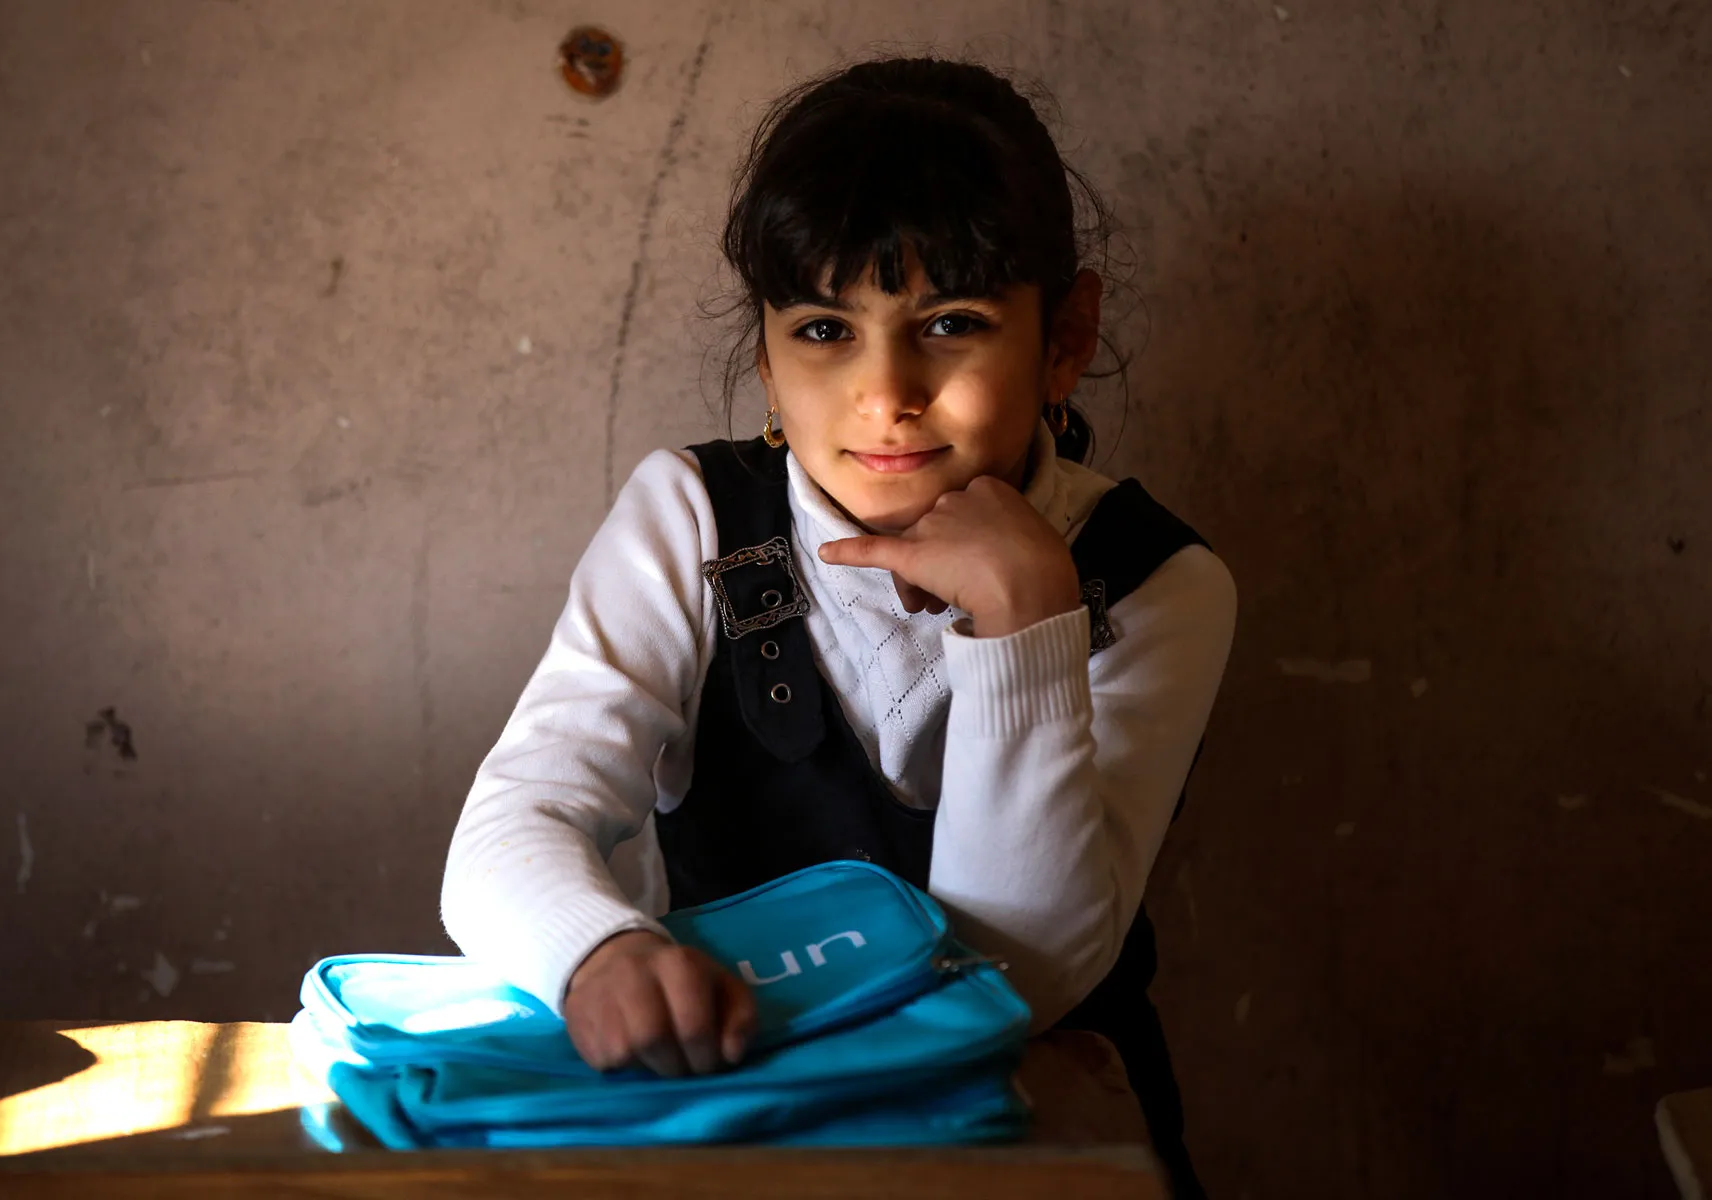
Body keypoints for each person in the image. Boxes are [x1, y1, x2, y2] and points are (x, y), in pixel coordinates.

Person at [441, 56, 1236, 1195]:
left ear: (1064, 337)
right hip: (743, 1116)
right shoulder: (691, 519)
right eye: (823, 330)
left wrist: (1023, 619)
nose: (884, 393)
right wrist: (598, 951)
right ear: (764, 358)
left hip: (1039, 1141)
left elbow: (1021, 974)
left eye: (949, 322)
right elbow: (511, 824)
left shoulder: (1159, 582)